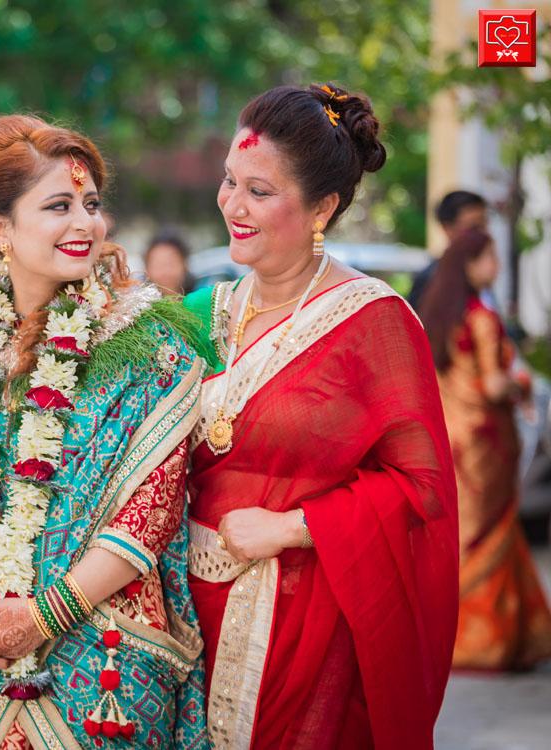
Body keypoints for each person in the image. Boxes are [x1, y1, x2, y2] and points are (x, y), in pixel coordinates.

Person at [0, 114, 209, 749]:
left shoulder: (149, 343)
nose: (85, 224)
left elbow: (147, 513)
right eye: (59, 205)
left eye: (92, 204)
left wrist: (44, 616)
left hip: (101, 662)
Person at [182, 84, 458, 749]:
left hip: (308, 631)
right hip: (184, 621)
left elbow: (423, 489)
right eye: (228, 181)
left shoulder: (374, 323)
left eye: (260, 191)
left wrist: (291, 527)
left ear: (323, 207)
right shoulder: (196, 312)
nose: (232, 205)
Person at [417, 227, 551, 671]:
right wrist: (524, 383)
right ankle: (484, 643)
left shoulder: (436, 314)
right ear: (471, 265)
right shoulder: (480, 316)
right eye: (490, 258)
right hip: (486, 443)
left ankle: (442, 639)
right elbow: (494, 383)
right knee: (487, 534)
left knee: (455, 536)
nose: (495, 267)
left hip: (447, 437)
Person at [406, 190, 488, 307]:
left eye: (484, 224)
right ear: (447, 228)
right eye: (473, 227)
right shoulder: (431, 279)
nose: (482, 233)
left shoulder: (482, 272)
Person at [143, 231, 194, 295]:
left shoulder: (204, 300)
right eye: (158, 265)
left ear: (185, 264)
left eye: (171, 264)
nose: (166, 272)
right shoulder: (137, 302)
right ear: (147, 269)